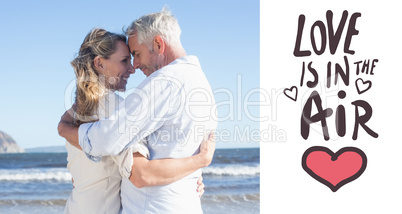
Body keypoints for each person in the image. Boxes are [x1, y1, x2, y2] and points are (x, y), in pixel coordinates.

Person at [58, 8, 217, 213]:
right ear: (100, 64)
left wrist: (63, 128)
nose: (134, 66)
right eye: (126, 59)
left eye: (135, 55)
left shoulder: (79, 107)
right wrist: (197, 164)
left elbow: (131, 166)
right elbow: (141, 171)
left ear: (159, 44)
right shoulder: (200, 83)